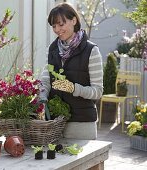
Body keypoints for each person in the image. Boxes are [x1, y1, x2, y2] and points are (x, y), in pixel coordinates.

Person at [39, 3, 103, 140]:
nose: (57, 30)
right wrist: (42, 96)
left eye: (61, 24)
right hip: (55, 122)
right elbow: (46, 78)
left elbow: (97, 91)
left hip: (81, 123)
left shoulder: (91, 51)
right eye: (54, 26)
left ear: (74, 20)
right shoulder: (52, 49)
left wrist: (74, 88)